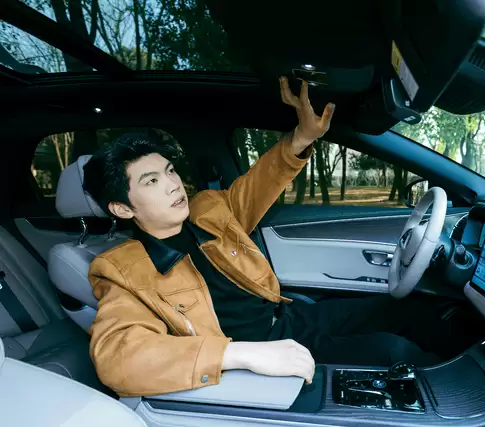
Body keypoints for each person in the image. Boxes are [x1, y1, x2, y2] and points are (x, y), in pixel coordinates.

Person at [83, 77, 458, 398]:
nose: (172, 184)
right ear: (122, 208)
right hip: (265, 350)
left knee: (403, 310)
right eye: (151, 181)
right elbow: (118, 358)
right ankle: (457, 400)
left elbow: (260, 183)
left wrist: (301, 138)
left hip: (288, 316)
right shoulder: (121, 269)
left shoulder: (207, 210)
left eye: (169, 171)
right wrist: (239, 355)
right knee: (392, 352)